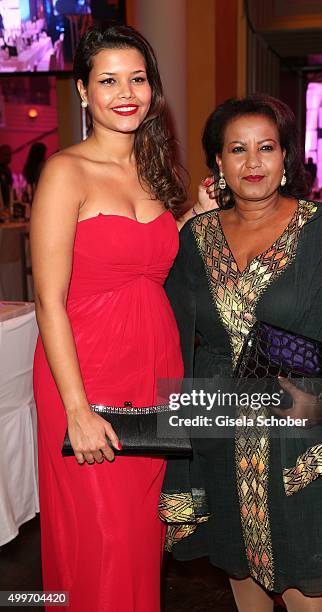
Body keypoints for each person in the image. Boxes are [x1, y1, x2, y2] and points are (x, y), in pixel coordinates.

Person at [160, 95, 322, 612]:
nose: (252, 163)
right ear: (217, 164)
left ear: (285, 158)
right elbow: (168, 327)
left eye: (266, 148)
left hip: (302, 439)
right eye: (237, 150)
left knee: (307, 592)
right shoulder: (195, 239)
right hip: (221, 432)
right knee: (243, 582)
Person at [31, 23, 185, 612]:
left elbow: (154, 270)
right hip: (86, 380)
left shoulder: (157, 175)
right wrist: (77, 409)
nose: (127, 92)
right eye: (109, 80)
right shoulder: (65, 172)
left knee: (146, 540)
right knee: (105, 540)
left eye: (138, 79)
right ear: (82, 91)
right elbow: (49, 299)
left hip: (154, 374)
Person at [0, 144, 13, 209]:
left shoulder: (7, 169)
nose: (9, 157)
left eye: (10, 154)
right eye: (6, 154)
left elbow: (10, 186)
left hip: (6, 205)